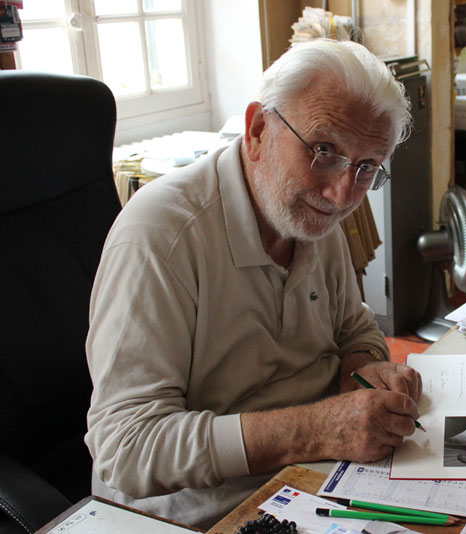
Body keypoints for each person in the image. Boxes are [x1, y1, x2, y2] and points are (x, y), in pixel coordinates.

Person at [84, 39, 421, 529]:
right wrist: (315, 431)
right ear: (259, 129)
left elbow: (356, 331)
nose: (344, 193)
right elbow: (125, 447)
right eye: (324, 150)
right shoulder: (160, 235)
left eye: (368, 167)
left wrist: (368, 374)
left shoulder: (312, 212)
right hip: (203, 512)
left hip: (313, 481)